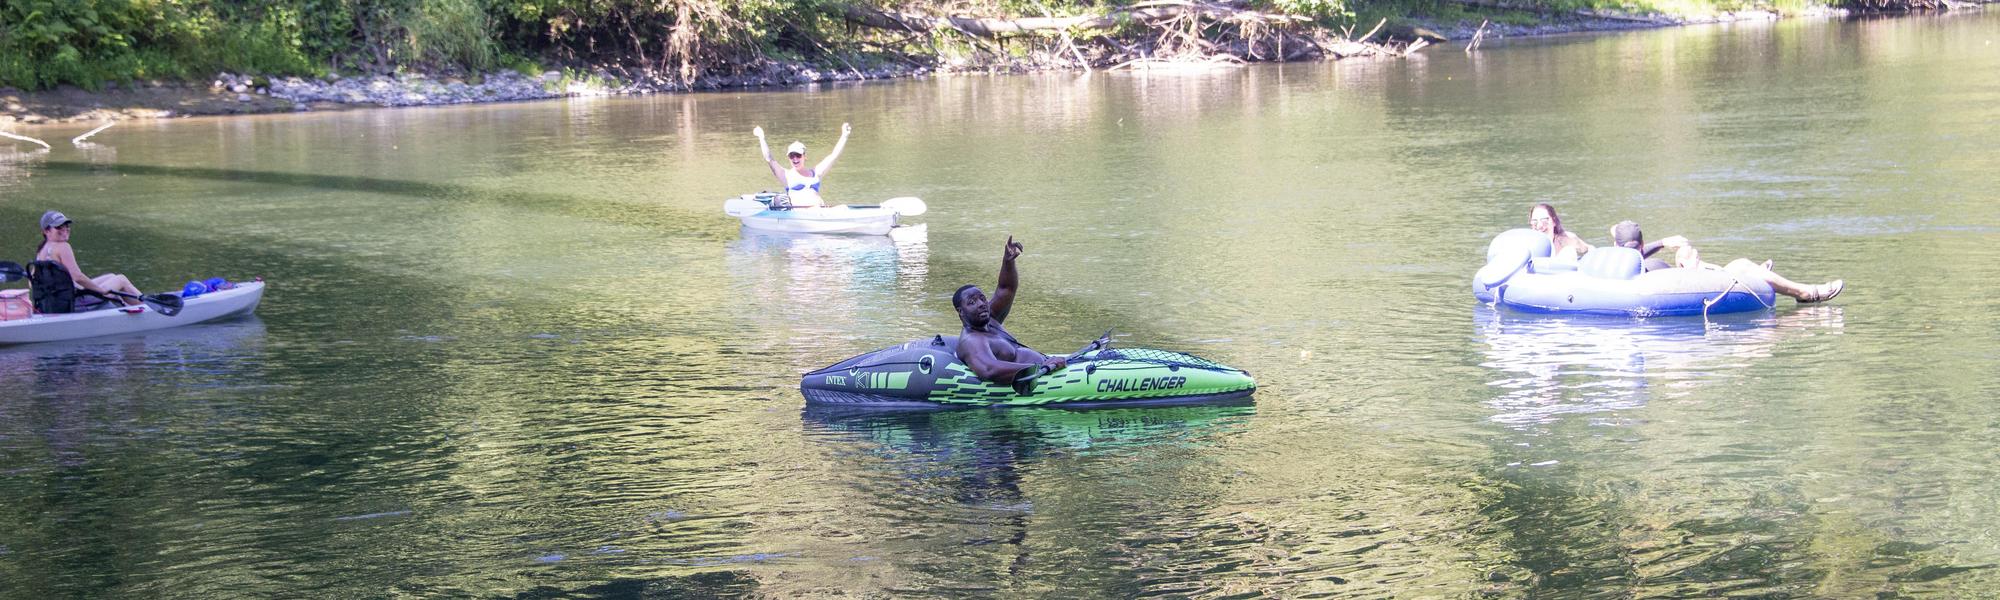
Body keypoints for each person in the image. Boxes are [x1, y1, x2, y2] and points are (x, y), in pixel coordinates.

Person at [1610, 220, 1843, 303]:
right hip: (1679, 288)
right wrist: (1662, 243)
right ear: (1642, 244)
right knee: (1739, 264)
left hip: (1681, 282)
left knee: (1692, 255)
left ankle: (1757, 274)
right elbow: (1632, 257)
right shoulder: (1622, 266)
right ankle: (1807, 293)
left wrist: (1662, 244)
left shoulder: (1608, 262)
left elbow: (1631, 254)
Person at [952, 236, 1069, 384]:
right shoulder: (972, 341)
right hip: (1038, 377)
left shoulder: (990, 318)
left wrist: (1008, 261)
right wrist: (1040, 366)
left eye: (982, 298)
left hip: (1047, 367)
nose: (981, 304)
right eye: (972, 302)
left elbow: (1006, 289)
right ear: (961, 312)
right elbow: (989, 369)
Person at [32, 211, 142, 309]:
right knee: (120, 279)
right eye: (58, 227)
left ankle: (130, 308)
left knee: (111, 276)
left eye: (66, 225)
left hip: (55, 301)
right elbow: (77, 276)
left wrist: (71, 286)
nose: (65, 229)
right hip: (74, 301)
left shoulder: (41, 251)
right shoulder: (63, 247)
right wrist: (100, 290)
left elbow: (32, 282)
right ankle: (149, 308)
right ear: (46, 231)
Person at [753, 123, 851, 208]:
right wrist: (762, 138)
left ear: (804, 156)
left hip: (820, 211)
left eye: (798, 155)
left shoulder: (816, 172)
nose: (795, 159)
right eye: (792, 156)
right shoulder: (785, 175)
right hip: (801, 215)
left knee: (844, 208)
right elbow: (769, 159)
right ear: (789, 157)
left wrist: (844, 136)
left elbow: (833, 156)